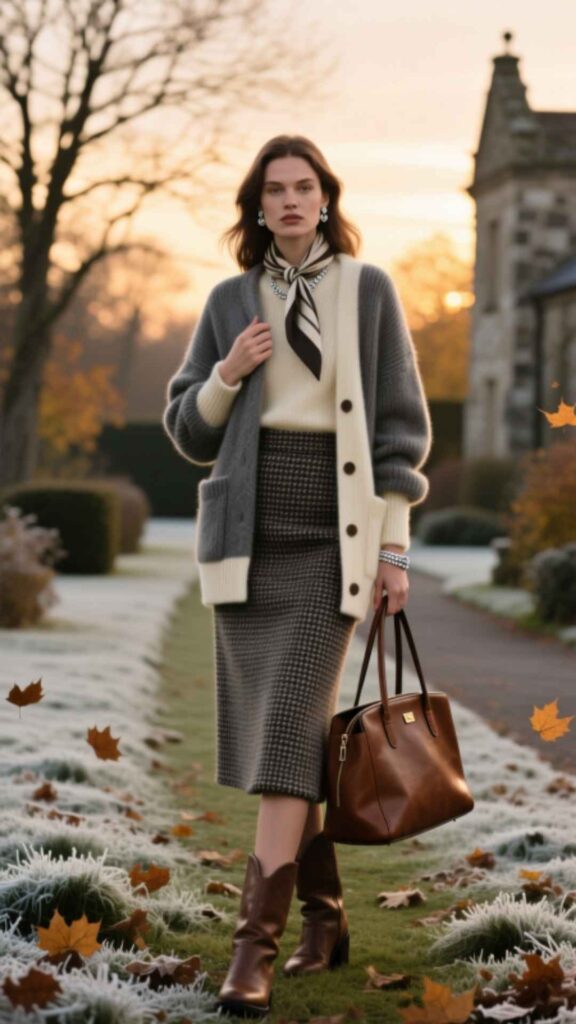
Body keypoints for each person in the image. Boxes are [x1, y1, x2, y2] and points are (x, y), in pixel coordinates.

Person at [163, 134, 433, 1019]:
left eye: (303, 187)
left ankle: (253, 952)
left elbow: (398, 432)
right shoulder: (228, 299)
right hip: (250, 536)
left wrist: (394, 550)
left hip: (336, 536)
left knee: (285, 735)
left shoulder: (369, 290)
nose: (288, 201)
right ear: (256, 205)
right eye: (272, 189)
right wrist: (225, 378)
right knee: (298, 740)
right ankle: (326, 918)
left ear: (325, 198)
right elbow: (188, 430)